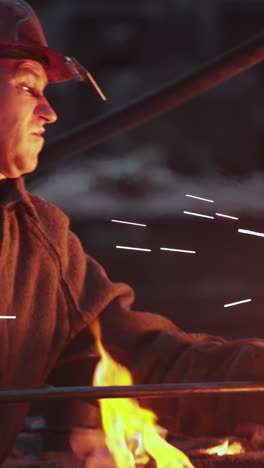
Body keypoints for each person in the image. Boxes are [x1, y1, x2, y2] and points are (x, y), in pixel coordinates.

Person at [0, 0, 264, 463]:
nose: (49, 112)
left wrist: (255, 377)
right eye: (26, 85)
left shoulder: (36, 243)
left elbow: (148, 363)